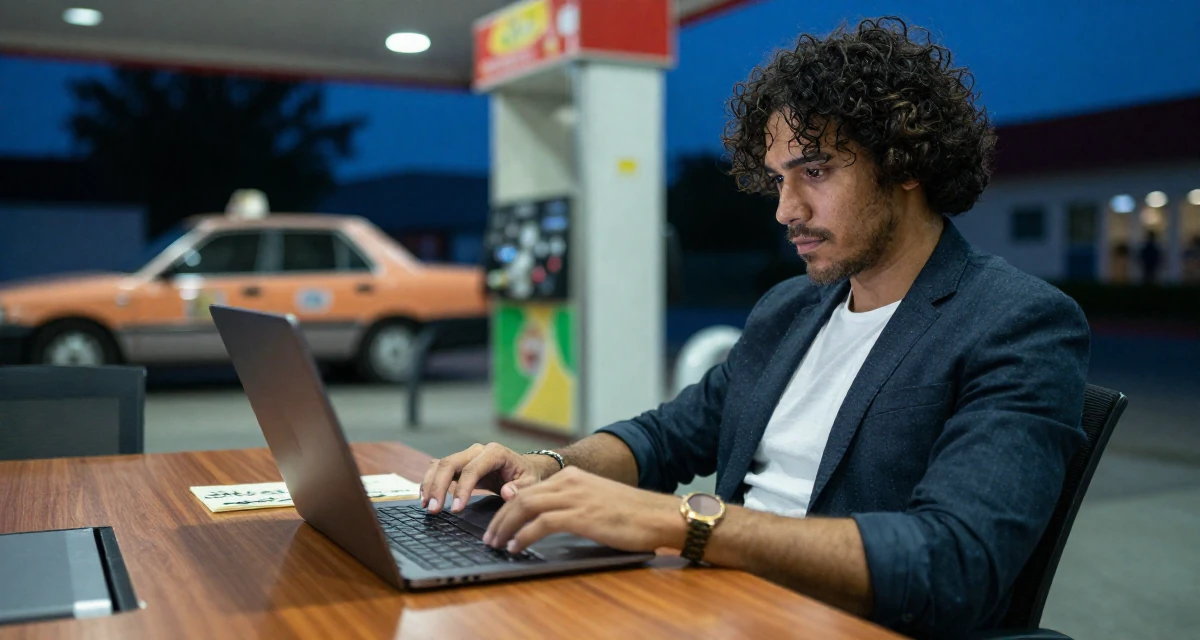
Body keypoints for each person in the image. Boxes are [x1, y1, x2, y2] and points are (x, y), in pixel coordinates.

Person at [421, 17, 1088, 639]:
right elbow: (666, 437)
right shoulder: (790, 309)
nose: (785, 210)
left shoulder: (1014, 322)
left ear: (905, 162)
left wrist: (685, 523)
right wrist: (547, 466)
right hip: (722, 607)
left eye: (816, 172)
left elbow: (954, 564)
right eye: (777, 180)